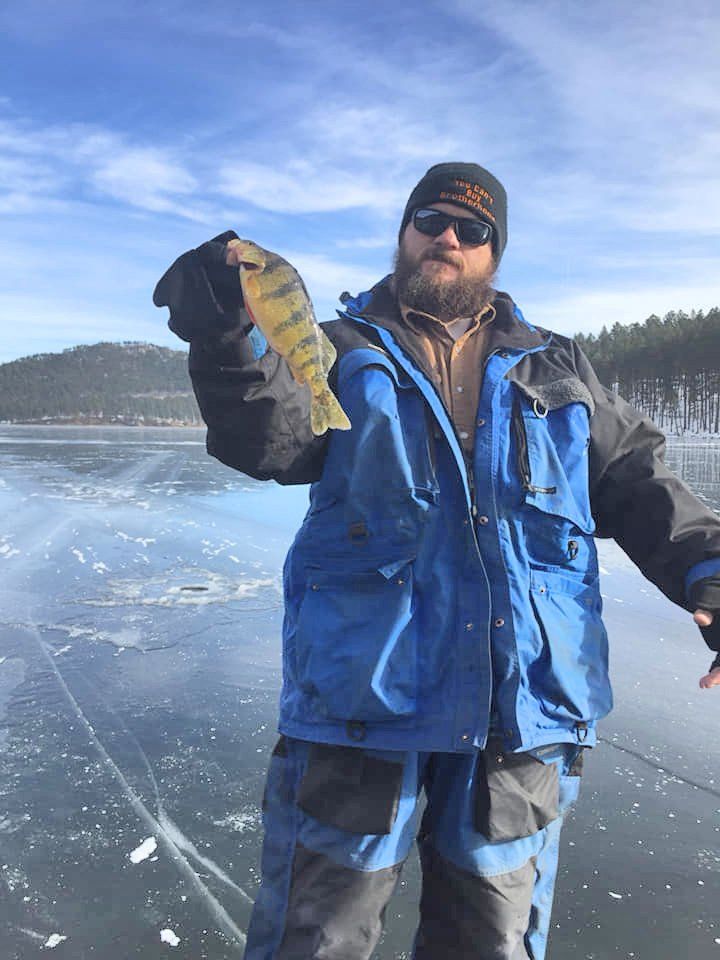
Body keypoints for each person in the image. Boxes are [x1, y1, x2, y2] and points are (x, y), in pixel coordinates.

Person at [154, 162, 720, 960]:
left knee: (492, 944)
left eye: (473, 228)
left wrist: (710, 571)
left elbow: (638, 480)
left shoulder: (557, 368)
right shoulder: (339, 350)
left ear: (495, 252)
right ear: (403, 232)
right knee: (315, 941)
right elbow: (268, 440)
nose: (448, 237)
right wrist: (224, 334)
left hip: (520, 713)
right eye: (430, 218)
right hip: (364, 703)